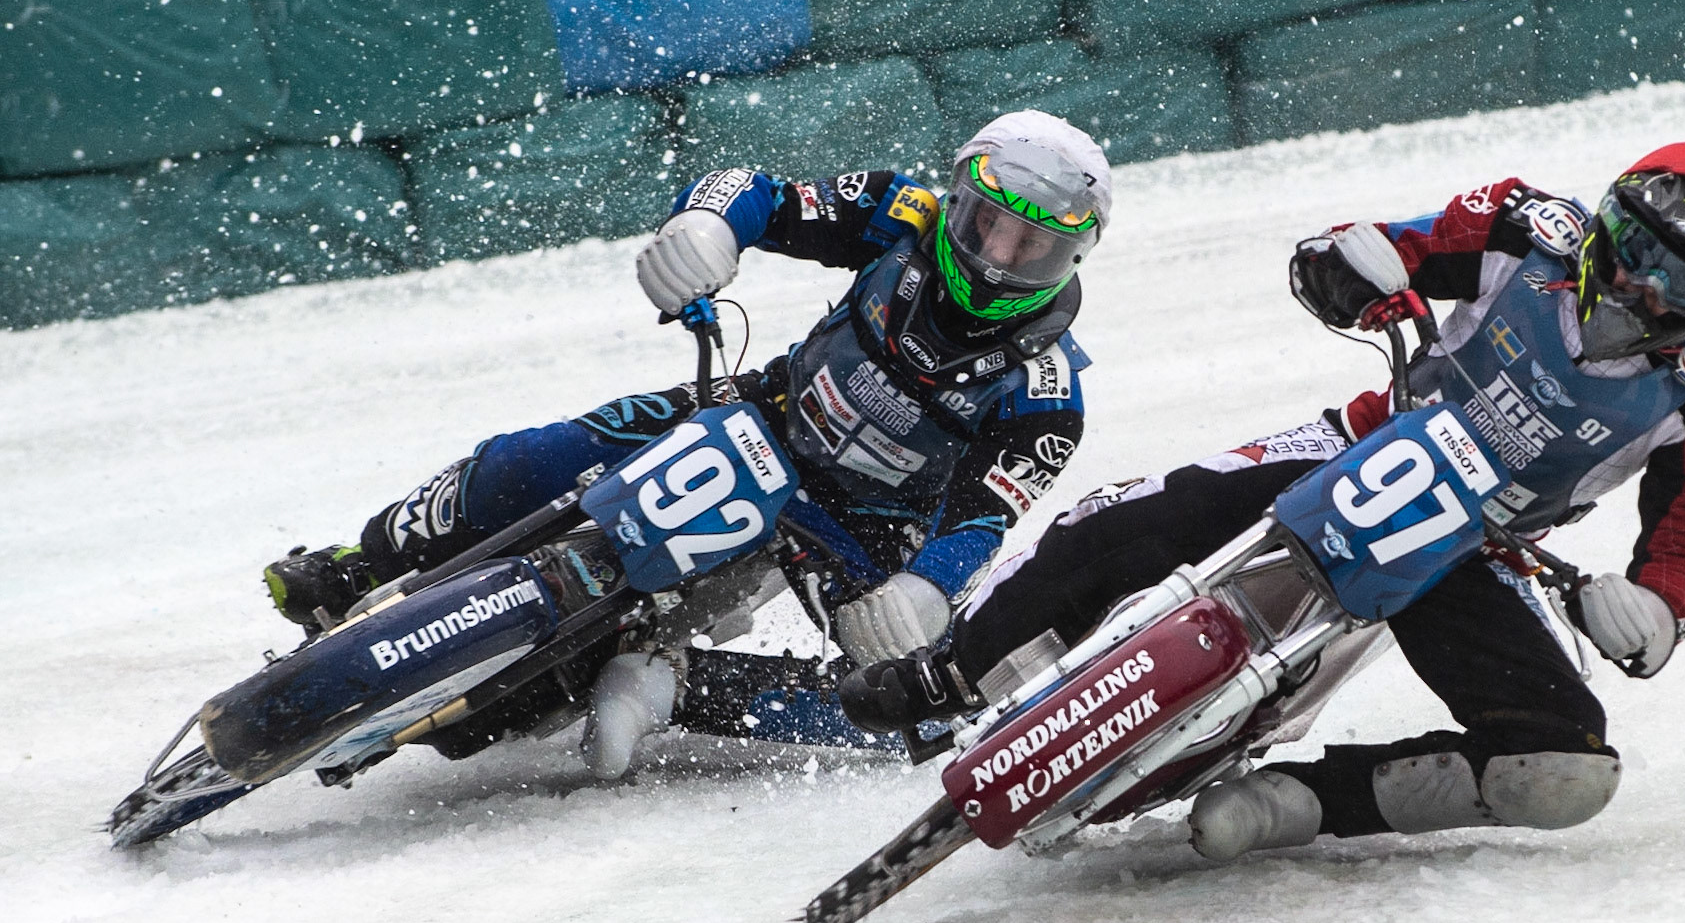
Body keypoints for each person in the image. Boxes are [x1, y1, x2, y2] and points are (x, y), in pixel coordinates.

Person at [841, 137, 1685, 858]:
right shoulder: (1522, 226)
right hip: (1359, 441)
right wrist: (1352, 268)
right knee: (1132, 516)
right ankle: (952, 668)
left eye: (1680, 278)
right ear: (1610, 216)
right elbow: (1376, 252)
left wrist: (1652, 612)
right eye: (1641, 248)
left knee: (1563, 768)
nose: (1639, 284)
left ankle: (1299, 802)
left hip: (1470, 547)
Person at [263, 110, 1112, 777]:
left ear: (1071, 256)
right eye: (987, 226)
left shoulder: (1049, 394)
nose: (998, 258)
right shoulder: (900, 215)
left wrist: (927, 589)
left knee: (916, 704)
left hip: (872, 524)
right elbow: (756, 189)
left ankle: (686, 689)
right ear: (956, 202)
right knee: (540, 456)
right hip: (768, 409)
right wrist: (709, 228)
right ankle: (360, 562)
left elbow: (981, 520)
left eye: (1031, 245)